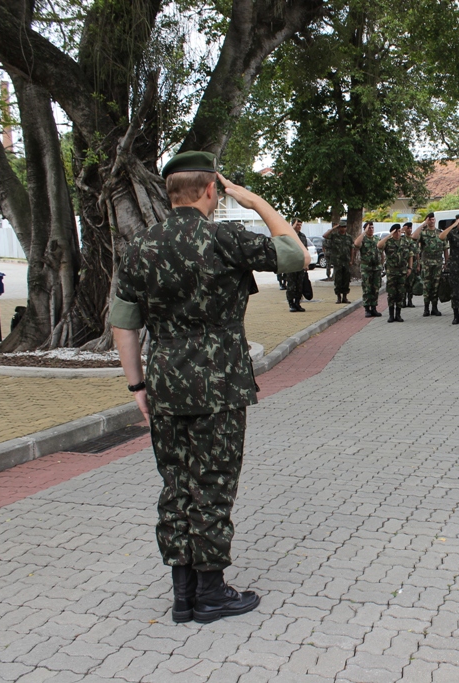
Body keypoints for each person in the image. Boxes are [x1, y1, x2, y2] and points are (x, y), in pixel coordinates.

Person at [110, 151, 309, 624]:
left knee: (176, 482)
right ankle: (212, 593)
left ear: (168, 191)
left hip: (163, 381)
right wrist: (254, 199)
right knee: (213, 483)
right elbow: (298, 256)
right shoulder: (225, 237)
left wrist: (137, 384)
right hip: (219, 383)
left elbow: (123, 321)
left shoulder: (140, 245)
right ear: (211, 190)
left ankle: (183, 594)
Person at [379, 223, 413, 322]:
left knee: (400, 293)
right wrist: (389, 235)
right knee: (391, 294)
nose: (398, 233)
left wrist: (410, 268)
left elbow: (411, 255)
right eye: (395, 232)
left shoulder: (405, 242)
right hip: (391, 272)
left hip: (402, 271)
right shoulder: (388, 242)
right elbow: (379, 245)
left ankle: (398, 314)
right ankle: (391, 315)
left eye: (399, 231)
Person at [414, 212, 445, 317]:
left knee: (436, 286)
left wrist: (447, 262)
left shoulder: (439, 233)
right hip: (427, 263)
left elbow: (445, 248)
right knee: (427, 286)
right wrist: (423, 224)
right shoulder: (423, 233)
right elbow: (414, 237)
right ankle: (426, 308)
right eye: (429, 219)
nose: (432, 221)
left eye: (433, 219)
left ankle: (434, 308)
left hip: (438, 263)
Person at [355, 221, 383, 317]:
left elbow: (381, 252)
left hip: (376, 268)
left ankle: (374, 308)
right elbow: (356, 244)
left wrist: (382, 264)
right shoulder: (363, 239)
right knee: (367, 288)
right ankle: (367, 309)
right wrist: (364, 232)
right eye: (369, 228)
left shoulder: (376, 239)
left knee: (375, 288)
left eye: (372, 228)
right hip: (366, 268)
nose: (371, 229)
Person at [322, 219, 354, 304]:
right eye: (341, 227)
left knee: (346, 280)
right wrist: (333, 228)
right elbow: (325, 236)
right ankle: (338, 297)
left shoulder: (349, 237)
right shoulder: (334, 236)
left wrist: (351, 260)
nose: (343, 228)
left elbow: (352, 249)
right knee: (338, 280)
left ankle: (345, 297)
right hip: (337, 261)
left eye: (344, 227)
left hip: (346, 261)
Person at [285, 219, 309, 312]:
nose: (299, 226)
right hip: (291, 264)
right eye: (297, 225)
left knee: (299, 285)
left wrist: (306, 263)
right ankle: (291, 304)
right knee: (291, 285)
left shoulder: (302, 236)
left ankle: (297, 303)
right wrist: (292, 228)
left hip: (300, 264)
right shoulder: (289, 235)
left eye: (300, 225)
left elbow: (305, 250)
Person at [402, 222, 419, 308]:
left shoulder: (413, 240)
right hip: (404, 264)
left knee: (411, 283)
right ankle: (403, 301)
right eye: (408, 228)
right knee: (404, 283)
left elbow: (417, 253)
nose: (410, 229)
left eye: (410, 228)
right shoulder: (401, 239)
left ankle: (410, 300)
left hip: (414, 264)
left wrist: (418, 265)